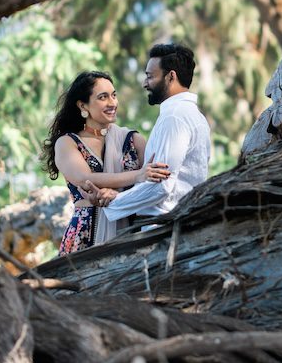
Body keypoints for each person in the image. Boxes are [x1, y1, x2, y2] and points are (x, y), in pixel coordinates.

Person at [82, 43, 211, 228]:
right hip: (178, 224)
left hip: (163, 230)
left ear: (170, 76)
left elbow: (161, 186)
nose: (145, 83)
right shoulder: (194, 116)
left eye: (150, 76)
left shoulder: (174, 117)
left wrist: (114, 201)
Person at [41, 71, 170, 254]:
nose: (112, 103)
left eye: (114, 95)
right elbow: (85, 178)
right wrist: (138, 175)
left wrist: (117, 195)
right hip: (85, 237)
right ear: (82, 105)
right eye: (103, 97)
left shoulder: (133, 140)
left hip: (131, 234)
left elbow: (153, 183)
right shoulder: (68, 142)